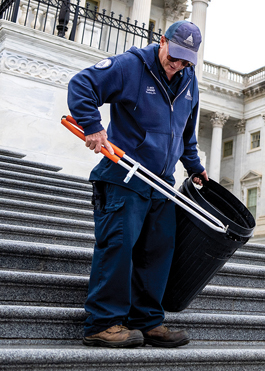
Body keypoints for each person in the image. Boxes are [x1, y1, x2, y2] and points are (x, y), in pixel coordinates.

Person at [67, 20, 208, 348]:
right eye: (173, 57)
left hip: (162, 183)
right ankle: (102, 323)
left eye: (185, 61)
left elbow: (187, 132)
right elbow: (82, 85)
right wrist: (92, 125)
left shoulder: (189, 81)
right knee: (118, 247)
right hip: (123, 175)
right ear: (162, 42)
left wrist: (195, 167)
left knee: (157, 251)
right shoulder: (131, 65)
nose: (177, 66)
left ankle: (147, 321)